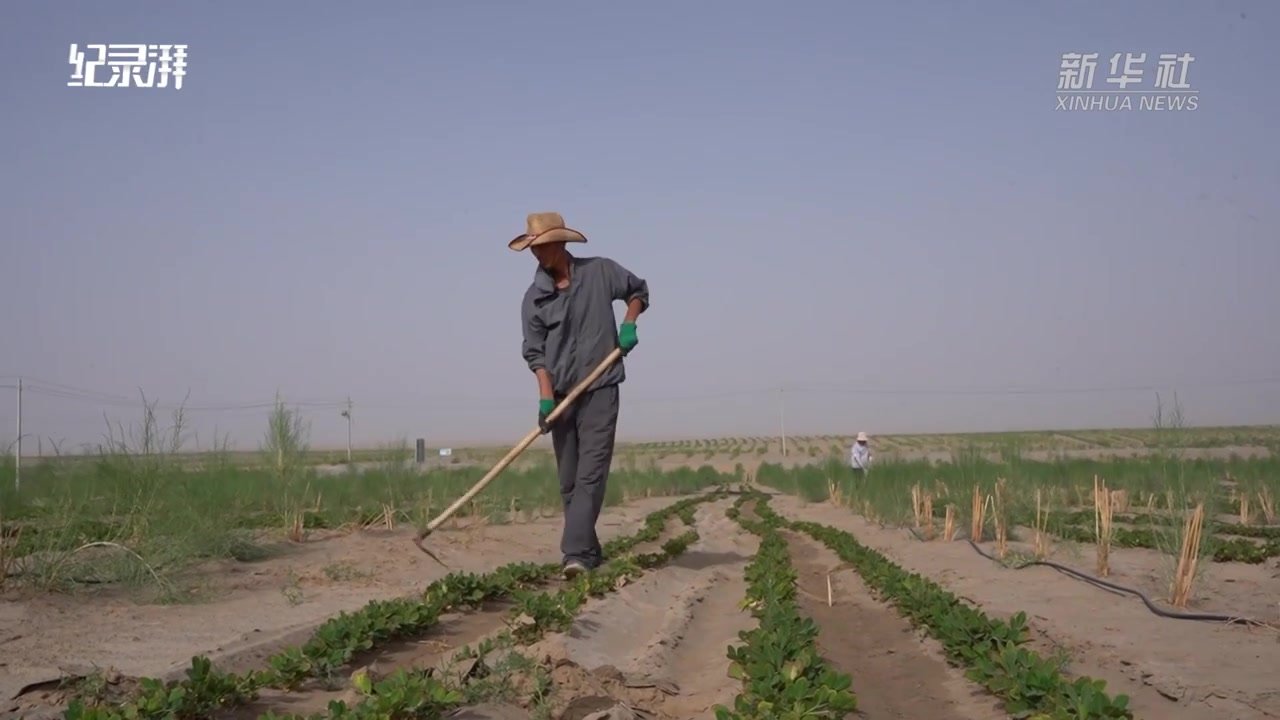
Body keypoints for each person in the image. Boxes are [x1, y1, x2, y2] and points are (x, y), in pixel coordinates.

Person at [510, 211, 650, 579]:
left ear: (560, 243)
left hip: (601, 386)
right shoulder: (534, 299)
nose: (537, 255)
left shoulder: (601, 272)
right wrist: (544, 399)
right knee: (569, 480)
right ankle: (587, 549)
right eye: (532, 249)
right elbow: (535, 354)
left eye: (542, 247)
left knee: (591, 474)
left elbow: (638, 290)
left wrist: (629, 323)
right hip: (560, 396)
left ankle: (574, 554)